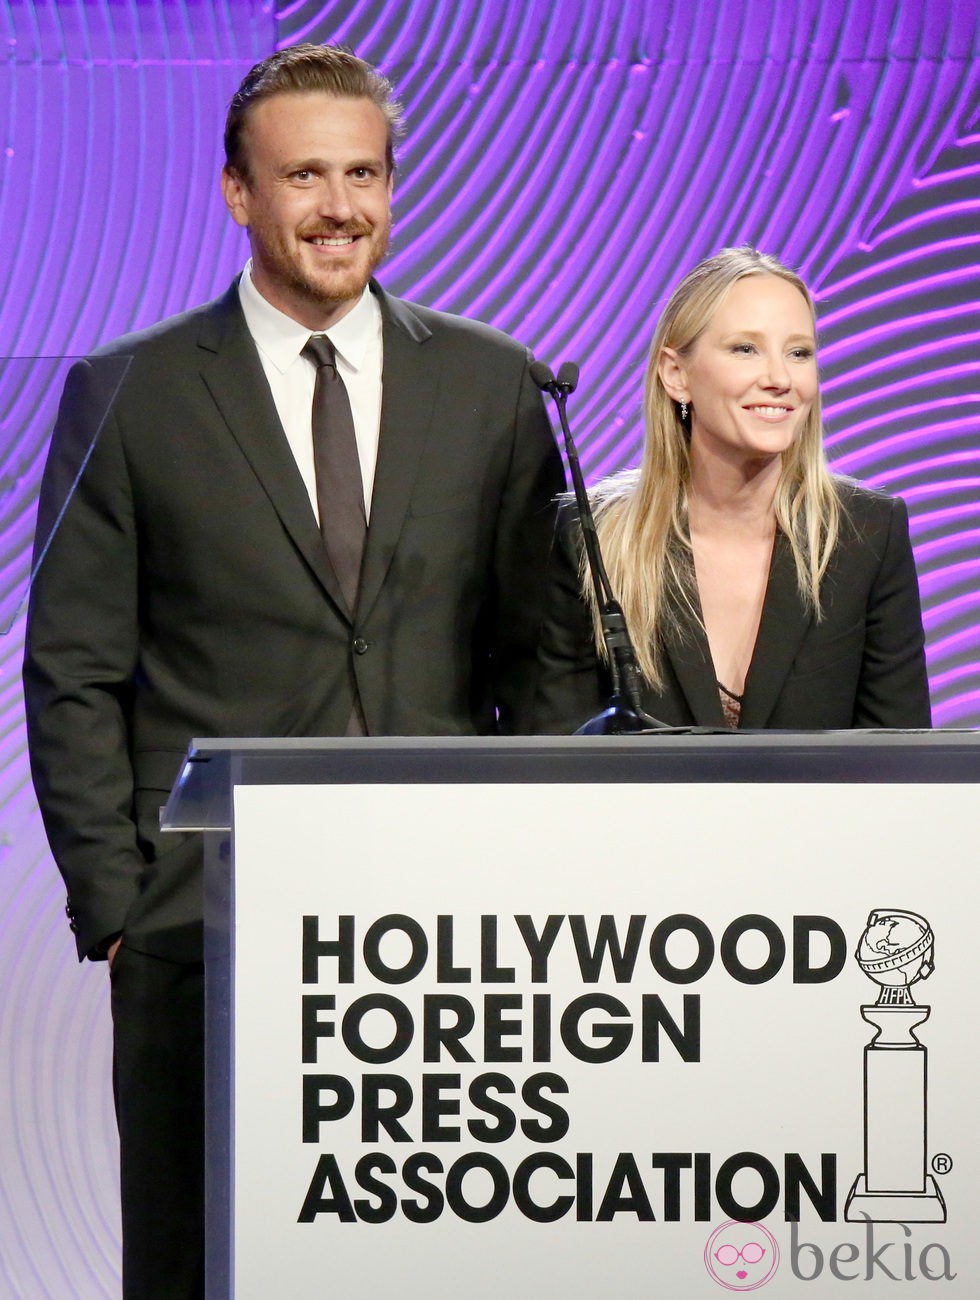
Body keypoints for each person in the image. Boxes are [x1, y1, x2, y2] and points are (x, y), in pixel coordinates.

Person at [23, 43, 564, 1298]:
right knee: (201, 1258)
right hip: (202, 926)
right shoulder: (133, 390)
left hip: (446, 935)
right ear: (236, 194)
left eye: (363, 172)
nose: (340, 206)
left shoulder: (493, 386)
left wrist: (533, 865)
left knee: (433, 1266)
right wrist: (118, 901)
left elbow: (541, 651)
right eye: (305, 174)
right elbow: (74, 666)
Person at [534, 246, 931, 732]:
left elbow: (900, 763)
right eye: (746, 349)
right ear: (676, 374)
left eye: (799, 353)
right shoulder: (594, 535)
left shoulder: (867, 534)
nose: (781, 379)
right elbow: (558, 761)